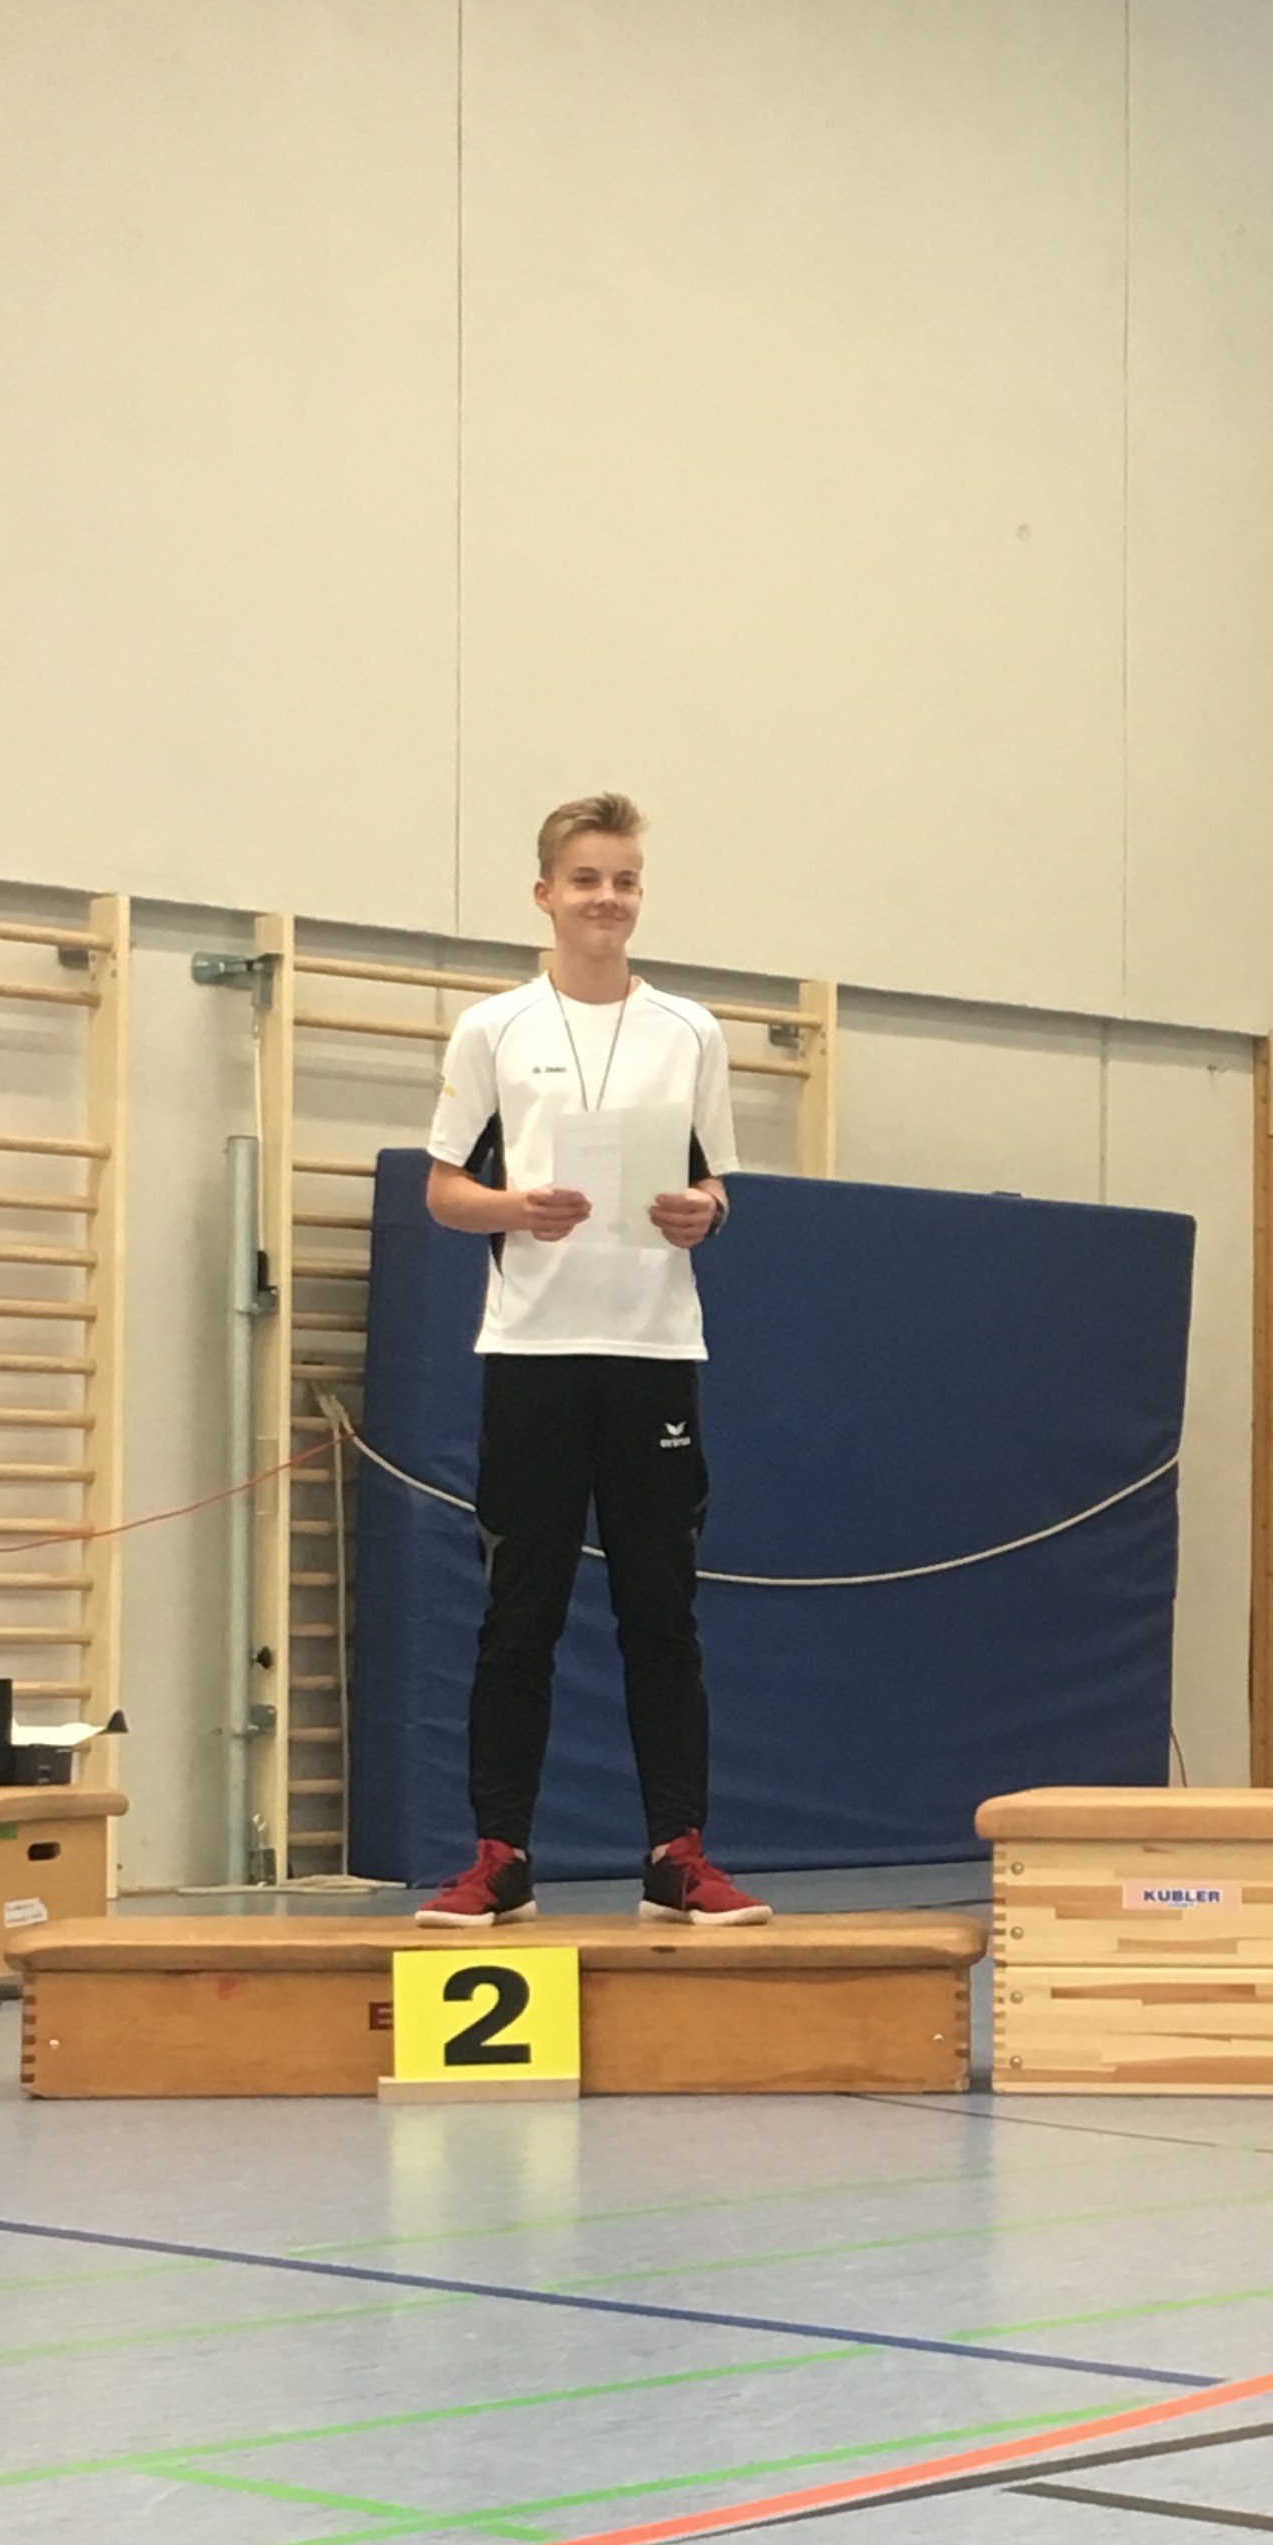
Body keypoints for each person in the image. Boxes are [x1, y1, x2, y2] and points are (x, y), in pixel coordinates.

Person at [412, 791, 770, 1928]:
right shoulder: (493, 1029)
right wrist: (516, 1206)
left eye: (624, 880)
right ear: (545, 894)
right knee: (519, 1616)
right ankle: (500, 1856)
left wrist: (705, 1212)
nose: (606, 898)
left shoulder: (691, 1031)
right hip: (533, 1352)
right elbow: (443, 1192)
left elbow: (716, 1184)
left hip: (654, 1352)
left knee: (662, 1614)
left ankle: (678, 1854)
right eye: (586, 880)